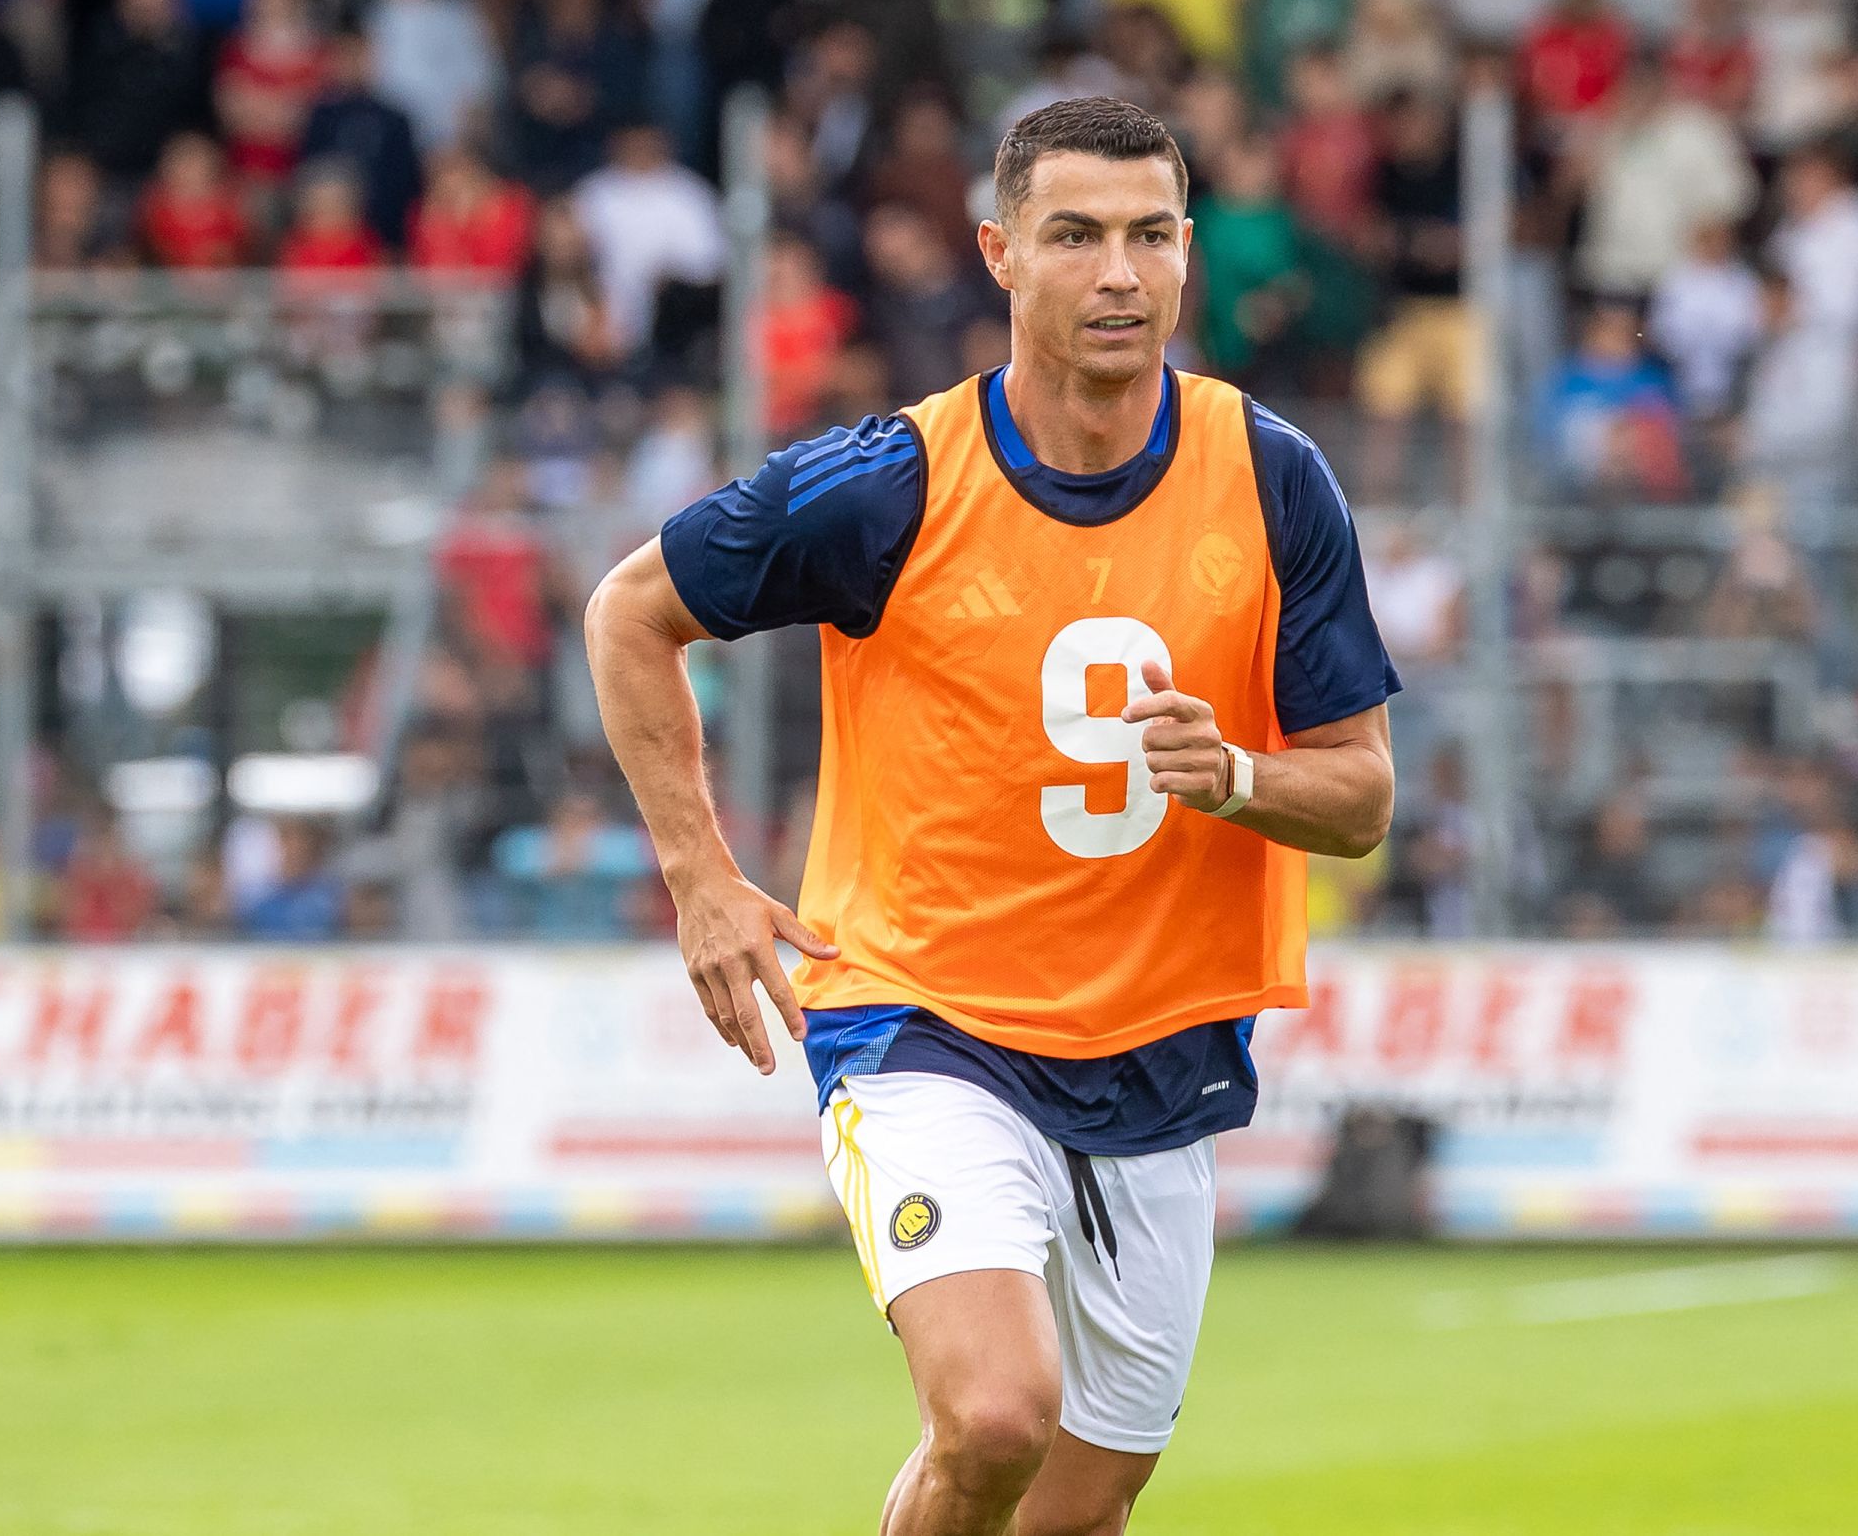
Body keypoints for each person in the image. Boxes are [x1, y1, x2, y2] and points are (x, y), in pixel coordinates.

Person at [585, 97, 1397, 1535]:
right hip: (926, 1018)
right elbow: (630, 611)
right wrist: (700, 876)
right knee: (996, 1412)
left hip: (1162, 1050)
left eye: (1151, 236)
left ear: (1189, 252)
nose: (1120, 274)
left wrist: (1238, 774)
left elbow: (1363, 794)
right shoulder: (889, 480)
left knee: (1079, 1505)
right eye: (1074, 236)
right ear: (1000, 253)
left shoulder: (1273, 476)